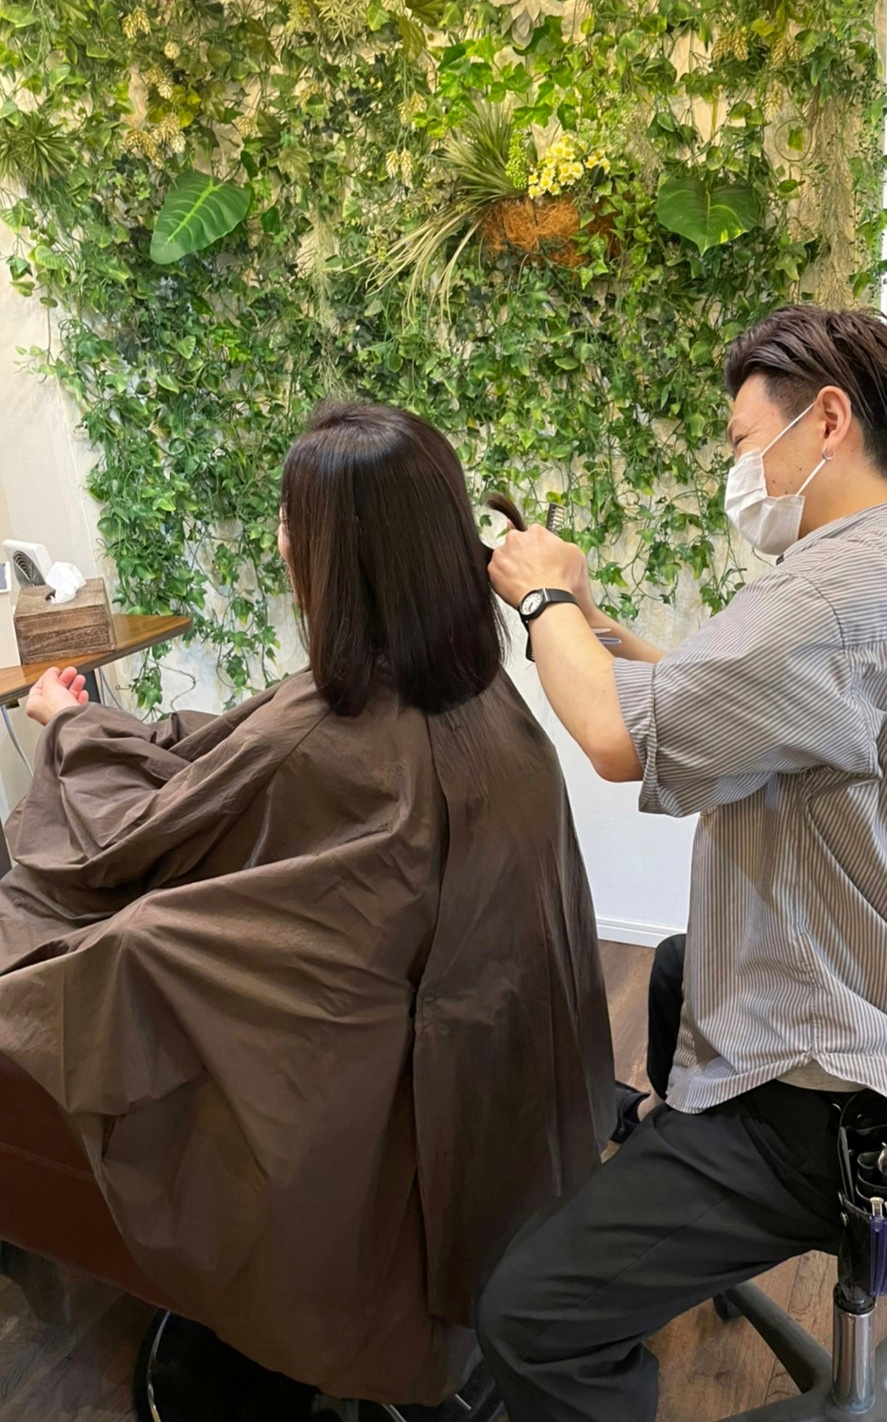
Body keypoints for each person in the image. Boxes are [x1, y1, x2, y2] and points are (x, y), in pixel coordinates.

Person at [0, 401, 614, 1417]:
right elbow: (232, 763)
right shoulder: (484, 699)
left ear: (336, 551)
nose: (280, 538)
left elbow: (126, 843)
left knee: (68, 949)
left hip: (366, 1119)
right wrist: (124, 731)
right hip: (498, 1116)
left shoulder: (325, 735)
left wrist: (70, 731)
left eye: (292, 519)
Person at [478, 305, 887, 1421]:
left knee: (526, 1317)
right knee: (682, 965)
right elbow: (737, 702)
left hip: (862, 1115)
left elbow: (615, 737)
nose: (738, 470)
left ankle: (693, 1202)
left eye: (741, 441)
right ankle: (681, 1190)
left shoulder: (833, 594)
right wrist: (598, 628)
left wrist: (540, 597)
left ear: (828, 420)